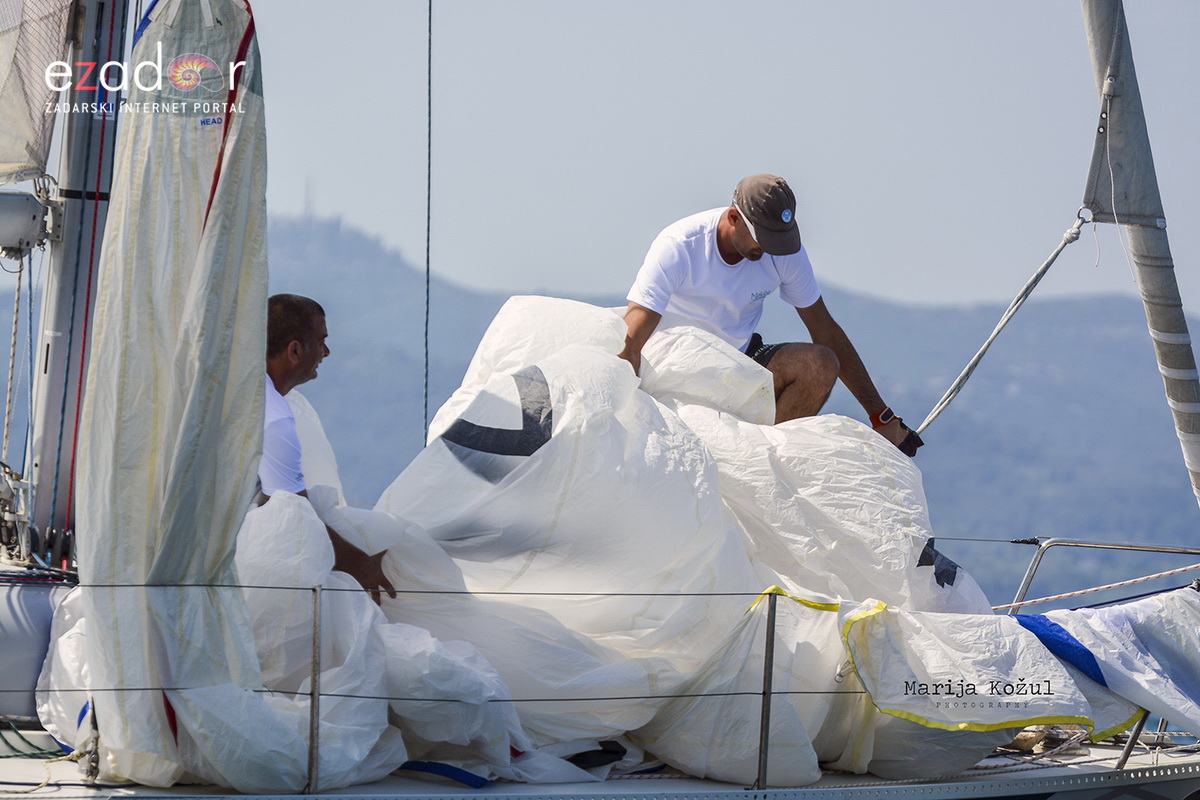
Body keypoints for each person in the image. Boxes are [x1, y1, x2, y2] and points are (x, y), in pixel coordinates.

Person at [618, 174, 922, 456]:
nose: (769, 250)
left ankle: (765, 462)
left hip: (736, 362)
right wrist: (622, 399)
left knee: (819, 363)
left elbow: (825, 330)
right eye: (762, 239)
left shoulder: (782, 253)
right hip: (674, 360)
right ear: (734, 218)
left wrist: (881, 416)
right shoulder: (680, 245)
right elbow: (638, 322)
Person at [260, 293, 397, 602]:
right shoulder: (274, 418)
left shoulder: (242, 390)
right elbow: (293, 517)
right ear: (295, 350)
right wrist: (362, 566)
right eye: (321, 342)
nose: (327, 352)